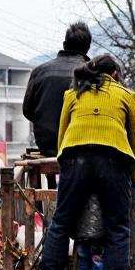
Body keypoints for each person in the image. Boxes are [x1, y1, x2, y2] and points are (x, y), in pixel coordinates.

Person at [36, 54, 135, 270]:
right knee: (117, 226)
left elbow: (62, 136)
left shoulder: (72, 94)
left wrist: (68, 172)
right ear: (115, 75)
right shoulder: (126, 95)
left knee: (61, 221)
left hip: (76, 158)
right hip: (114, 160)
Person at [23, 22, 91, 187]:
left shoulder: (39, 71)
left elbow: (27, 111)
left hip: (47, 147)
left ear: (64, 44)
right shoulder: (91, 74)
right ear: (88, 48)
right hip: (80, 148)